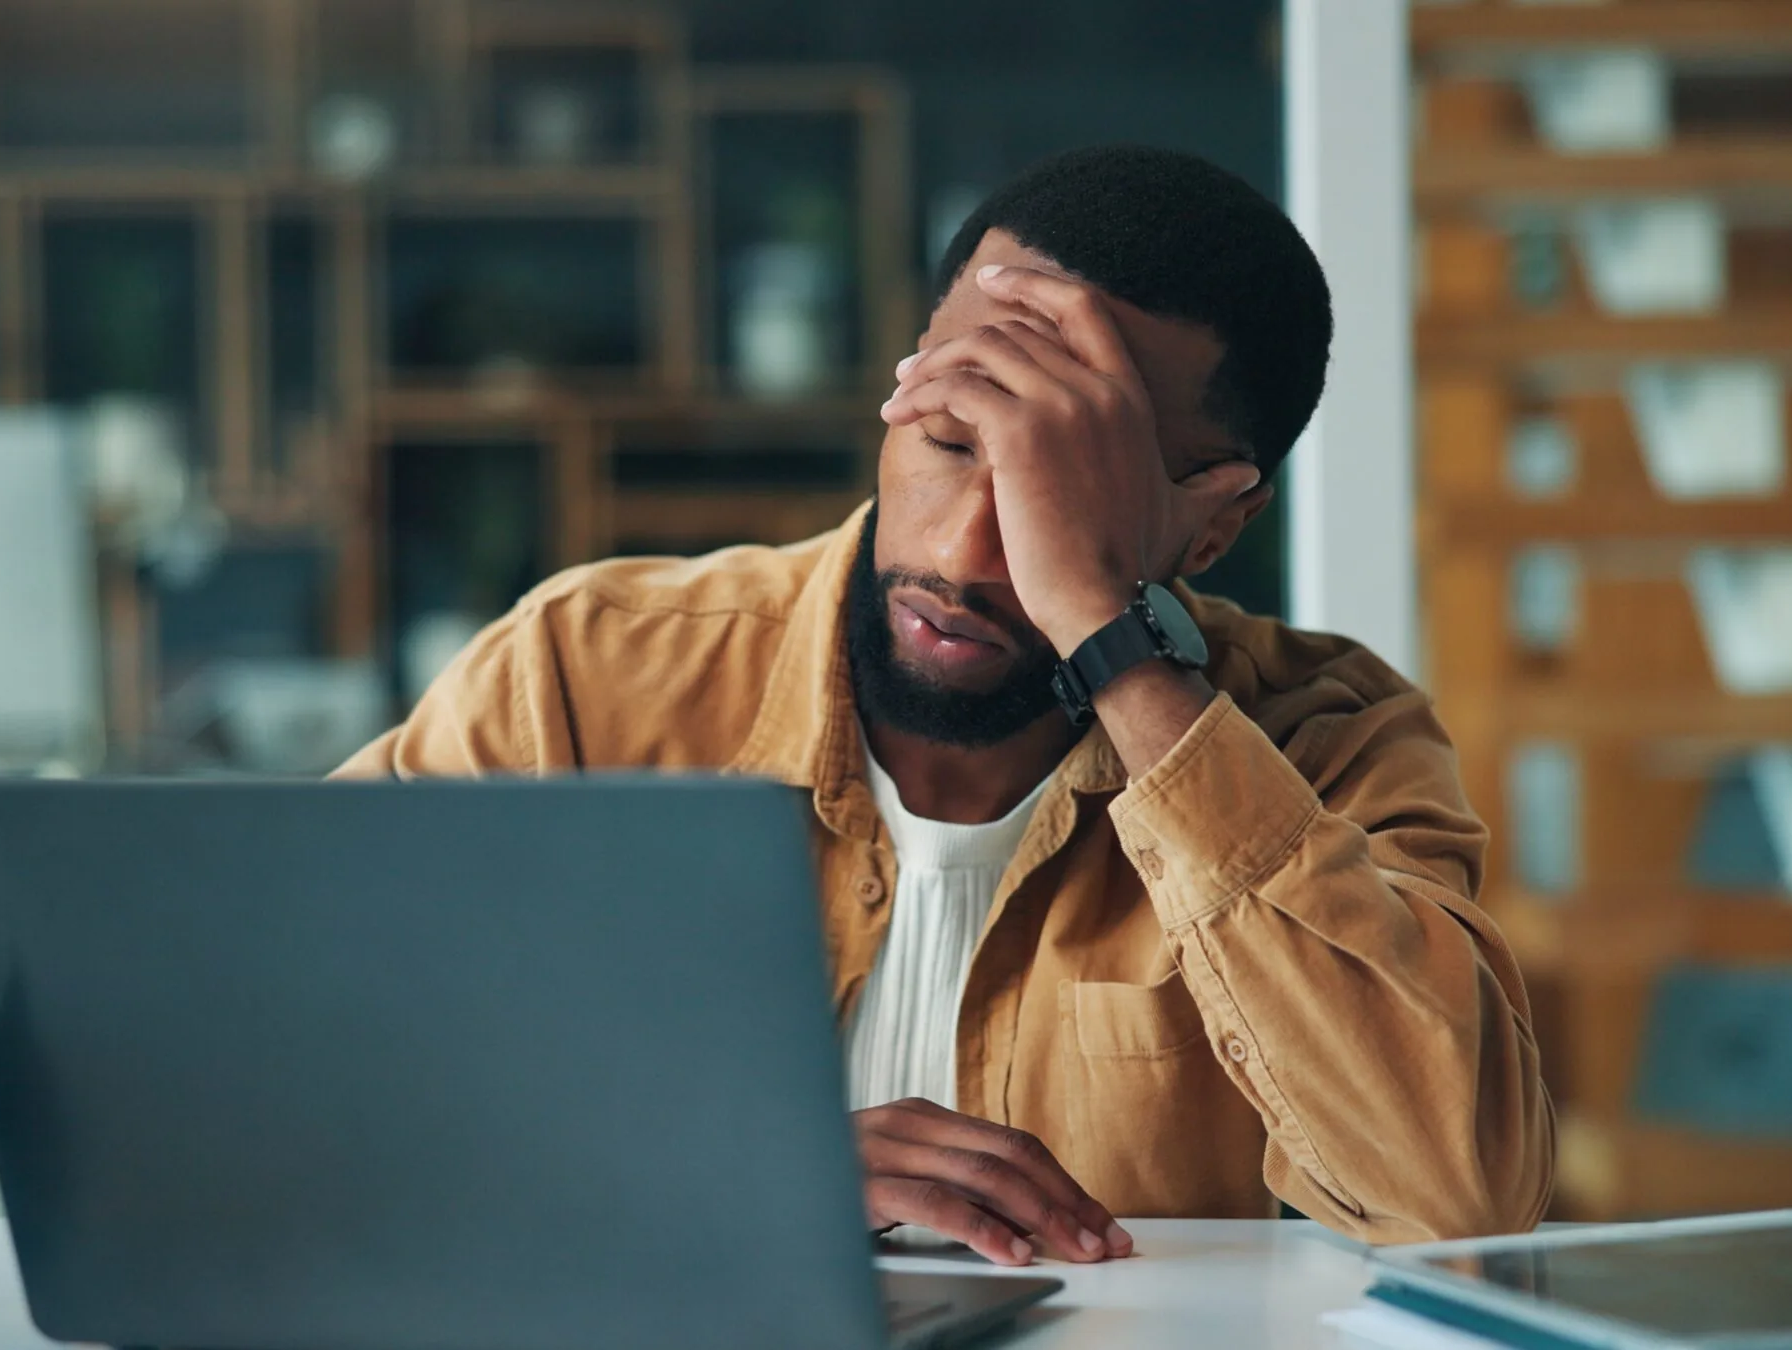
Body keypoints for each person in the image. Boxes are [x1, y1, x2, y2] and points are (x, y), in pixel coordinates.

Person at [338, 145, 1553, 1264]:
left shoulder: (1327, 743)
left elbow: (1453, 1193)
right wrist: (737, 1171)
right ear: (902, 383)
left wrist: (1105, 630)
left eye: (1073, 481)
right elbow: (276, 1076)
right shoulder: (590, 677)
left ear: (1218, 522)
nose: (972, 555)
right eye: (956, 436)